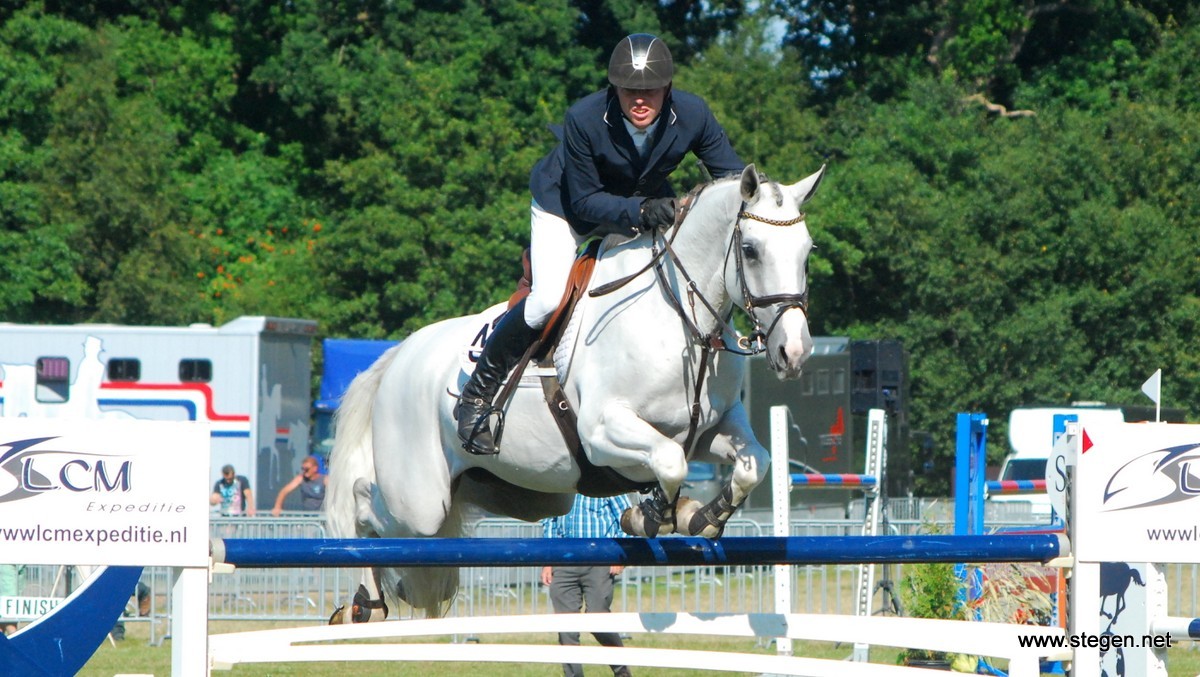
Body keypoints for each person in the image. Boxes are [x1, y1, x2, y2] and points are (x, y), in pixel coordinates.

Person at [456, 33, 745, 455]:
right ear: (615, 89)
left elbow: (735, 180)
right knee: (547, 300)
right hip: (567, 206)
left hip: (637, 201)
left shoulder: (694, 113)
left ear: (667, 89)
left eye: (649, 91)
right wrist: (645, 212)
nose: (640, 101)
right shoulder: (585, 117)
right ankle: (477, 396)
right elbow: (587, 201)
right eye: (630, 92)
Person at [540, 493, 635, 677]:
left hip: (599, 558)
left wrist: (619, 554)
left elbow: (626, 518)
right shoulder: (556, 485)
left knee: (597, 619)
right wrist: (548, 560)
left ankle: (621, 671)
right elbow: (549, 521)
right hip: (563, 559)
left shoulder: (607, 485)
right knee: (566, 627)